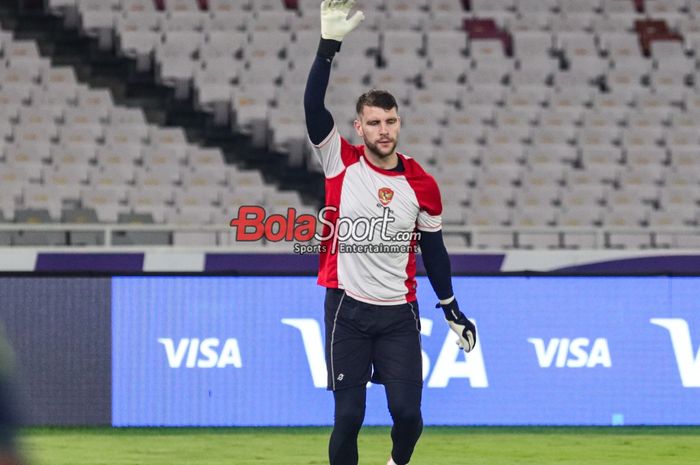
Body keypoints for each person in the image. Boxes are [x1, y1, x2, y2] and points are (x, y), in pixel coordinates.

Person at [303, 1, 478, 464]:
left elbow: (435, 253)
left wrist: (451, 309)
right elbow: (312, 108)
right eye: (374, 123)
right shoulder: (340, 161)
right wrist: (328, 47)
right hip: (347, 308)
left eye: (390, 121)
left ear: (399, 123)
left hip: (399, 313)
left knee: (408, 414)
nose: (383, 130)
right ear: (359, 127)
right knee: (349, 417)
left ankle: (397, 462)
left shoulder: (422, 184)